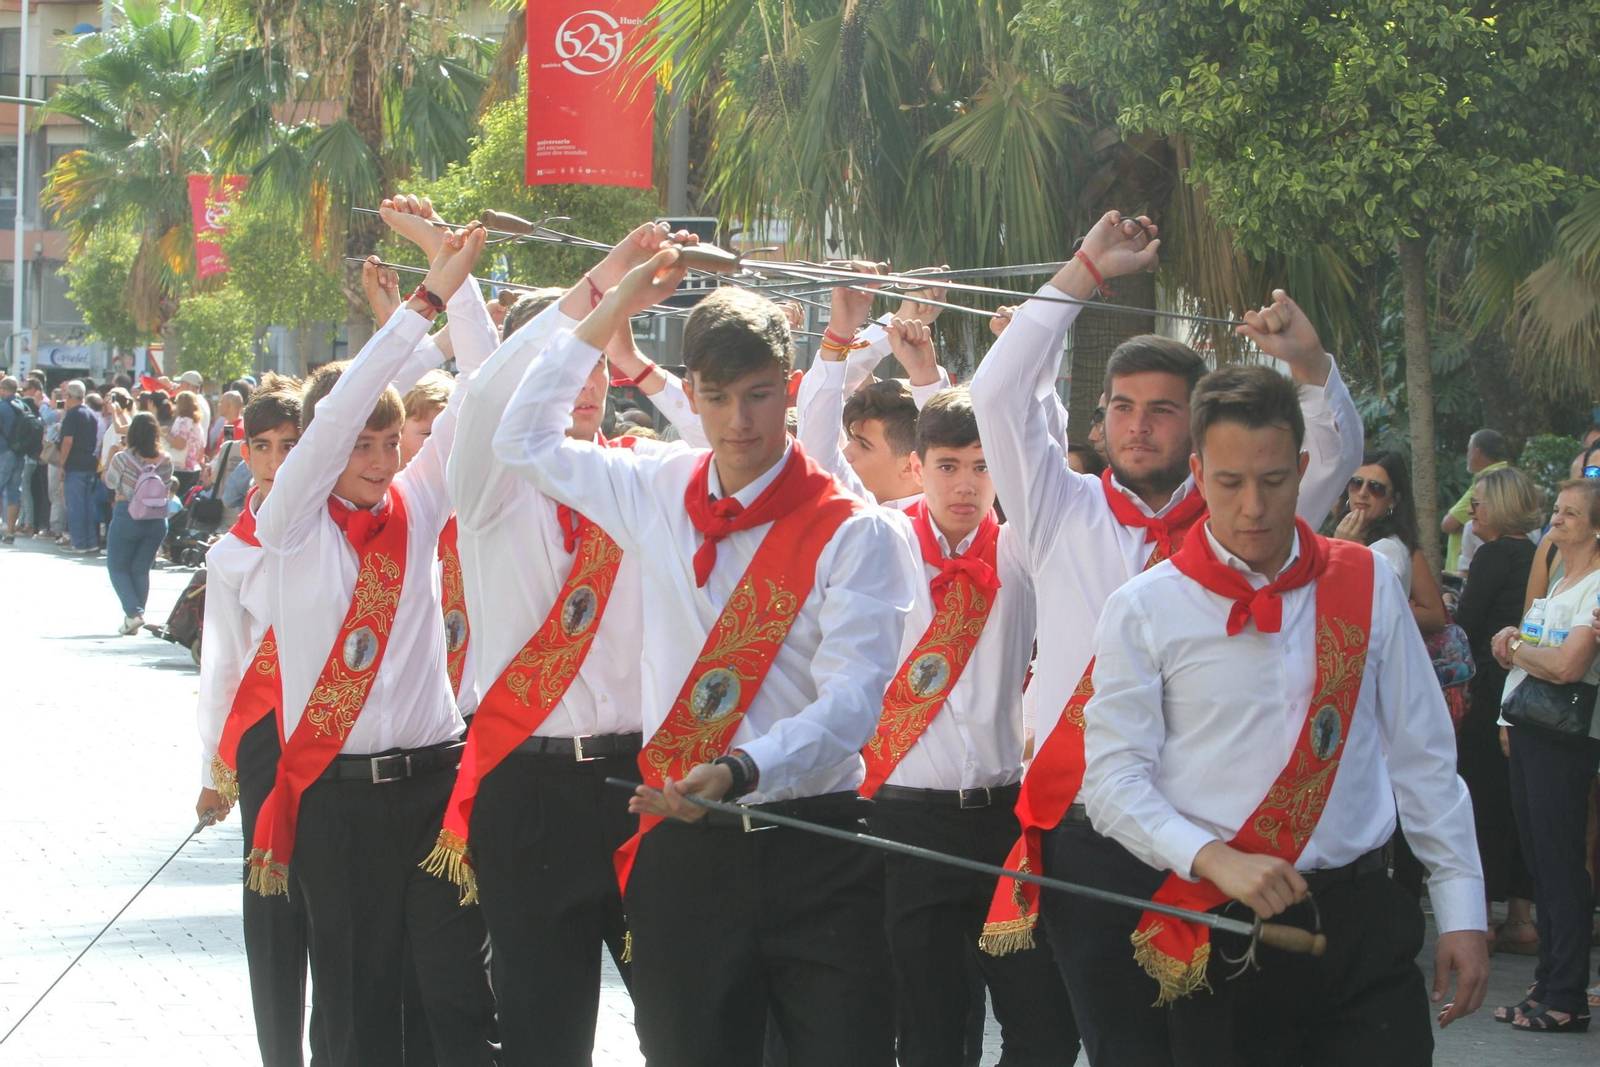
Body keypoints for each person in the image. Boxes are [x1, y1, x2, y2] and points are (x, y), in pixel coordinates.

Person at [494, 246, 917, 1067]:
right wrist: (608, 305)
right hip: (686, 857)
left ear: (788, 389)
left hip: (815, 847)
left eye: (759, 396)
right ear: (686, 393)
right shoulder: (655, 485)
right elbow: (521, 436)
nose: (738, 422)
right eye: (716, 398)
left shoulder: (854, 531)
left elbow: (853, 704)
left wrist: (741, 768)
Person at [966, 211, 1364, 1066]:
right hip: (1093, 829)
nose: (1137, 426)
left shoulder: (1246, 521)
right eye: (1121, 409)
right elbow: (997, 394)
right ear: (1101, 422)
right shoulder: (1054, 512)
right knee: (1123, 1050)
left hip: (1219, 830)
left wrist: (1308, 363)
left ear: (1198, 428)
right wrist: (1084, 271)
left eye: (1162, 411)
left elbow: (1330, 446)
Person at [1080, 363, 1487, 1063]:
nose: (1252, 508)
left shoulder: (1367, 582)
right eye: (1230, 483)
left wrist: (1463, 910)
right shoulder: (1146, 607)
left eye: (1272, 481)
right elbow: (1112, 782)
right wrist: (1212, 857)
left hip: (1362, 921)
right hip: (1222, 926)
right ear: (1199, 471)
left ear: (1302, 470)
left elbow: (1424, 758)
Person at [425, 219, 707, 1067]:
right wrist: (604, 284)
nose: (580, 384)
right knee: (546, 1031)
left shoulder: (637, 475)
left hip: (640, 778)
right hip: (531, 787)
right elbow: (485, 399)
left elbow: (731, 450)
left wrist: (634, 351)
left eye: (594, 366)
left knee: (689, 1019)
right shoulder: (487, 489)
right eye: (565, 363)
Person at [248, 217, 497, 1064]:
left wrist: (457, 284)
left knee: (450, 996)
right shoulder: (289, 523)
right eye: (362, 443)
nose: (383, 459)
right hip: (338, 799)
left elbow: (484, 393)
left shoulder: (419, 505)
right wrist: (418, 304)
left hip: (432, 786)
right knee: (354, 1005)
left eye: (391, 442)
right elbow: (330, 423)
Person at [855, 382, 1081, 1067]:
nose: (966, 484)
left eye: (983, 466)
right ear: (917, 466)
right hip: (903, 824)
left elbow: (1052, 461)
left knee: (1046, 1027)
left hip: (1000, 822)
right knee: (931, 1033)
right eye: (949, 465)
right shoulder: (880, 540)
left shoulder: (1022, 550)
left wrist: (1034, 380)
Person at [192, 375, 316, 1067]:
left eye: (291, 445)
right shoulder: (231, 550)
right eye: (263, 446)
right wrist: (215, 768)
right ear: (245, 450)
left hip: (341, 724)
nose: (276, 459)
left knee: (334, 899)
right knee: (271, 898)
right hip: (268, 735)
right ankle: (279, 1053)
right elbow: (222, 668)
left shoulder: (346, 520)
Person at [1489, 478, 1600, 1033]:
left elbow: (1567, 666)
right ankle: (1547, 983)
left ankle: (1566, 993)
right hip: (1529, 726)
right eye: (1555, 511)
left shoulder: (1597, 586)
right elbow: (1541, 652)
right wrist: (1520, 644)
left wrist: (1515, 647)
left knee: (1559, 864)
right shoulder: (1560, 580)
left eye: (1570, 515)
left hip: (1564, 738)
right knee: (1539, 861)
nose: (1555, 521)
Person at [1453, 467, 1542, 954]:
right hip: (1530, 683)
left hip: (1492, 687)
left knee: (1482, 797)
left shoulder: (1492, 555)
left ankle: (1482, 915)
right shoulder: (1539, 554)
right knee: (1518, 801)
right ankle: (1523, 916)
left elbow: (1467, 624)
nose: (1472, 510)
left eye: (1480, 502)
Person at [1331, 450, 1447, 633]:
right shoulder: (1346, 536)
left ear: (1393, 500)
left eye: (1376, 488)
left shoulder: (1389, 548)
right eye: (1356, 483)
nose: (1362, 493)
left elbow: (1366, 609)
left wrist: (1342, 551)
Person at [101, 412, 173, 633]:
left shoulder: (122, 458)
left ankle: (134, 613)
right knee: (141, 569)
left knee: (117, 568)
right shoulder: (166, 460)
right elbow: (168, 485)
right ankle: (134, 616)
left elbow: (111, 482)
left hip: (127, 514)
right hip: (157, 518)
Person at [1442, 429, 1512, 572]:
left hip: (1475, 567)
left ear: (1477, 452)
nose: (1470, 510)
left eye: (1469, 450)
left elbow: (1449, 524)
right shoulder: (1507, 477)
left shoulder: (1488, 480)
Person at [58, 379, 102, 554]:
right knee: (87, 505)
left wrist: (62, 464)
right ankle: (91, 541)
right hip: (89, 463)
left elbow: (67, 441)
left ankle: (79, 542)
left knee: (75, 505)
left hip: (75, 464)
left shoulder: (73, 414)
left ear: (69, 396)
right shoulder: (92, 414)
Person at [0, 375, 26, 542]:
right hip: (19, 453)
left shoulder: (2, 406)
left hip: (4, 452)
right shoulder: (22, 406)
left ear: (3, 389)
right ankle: (10, 531)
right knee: (14, 493)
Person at [168, 390, 206, 497]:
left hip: (180, 469)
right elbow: (201, 452)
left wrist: (166, 436)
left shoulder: (182, 421)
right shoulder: (197, 424)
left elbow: (180, 444)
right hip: (194, 469)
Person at [176, 369, 212, 440]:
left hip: (192, 448)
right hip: (198, 448)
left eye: (181, 383)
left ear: (188, 386)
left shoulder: (193, 403)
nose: (179, 386)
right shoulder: (202, 401)